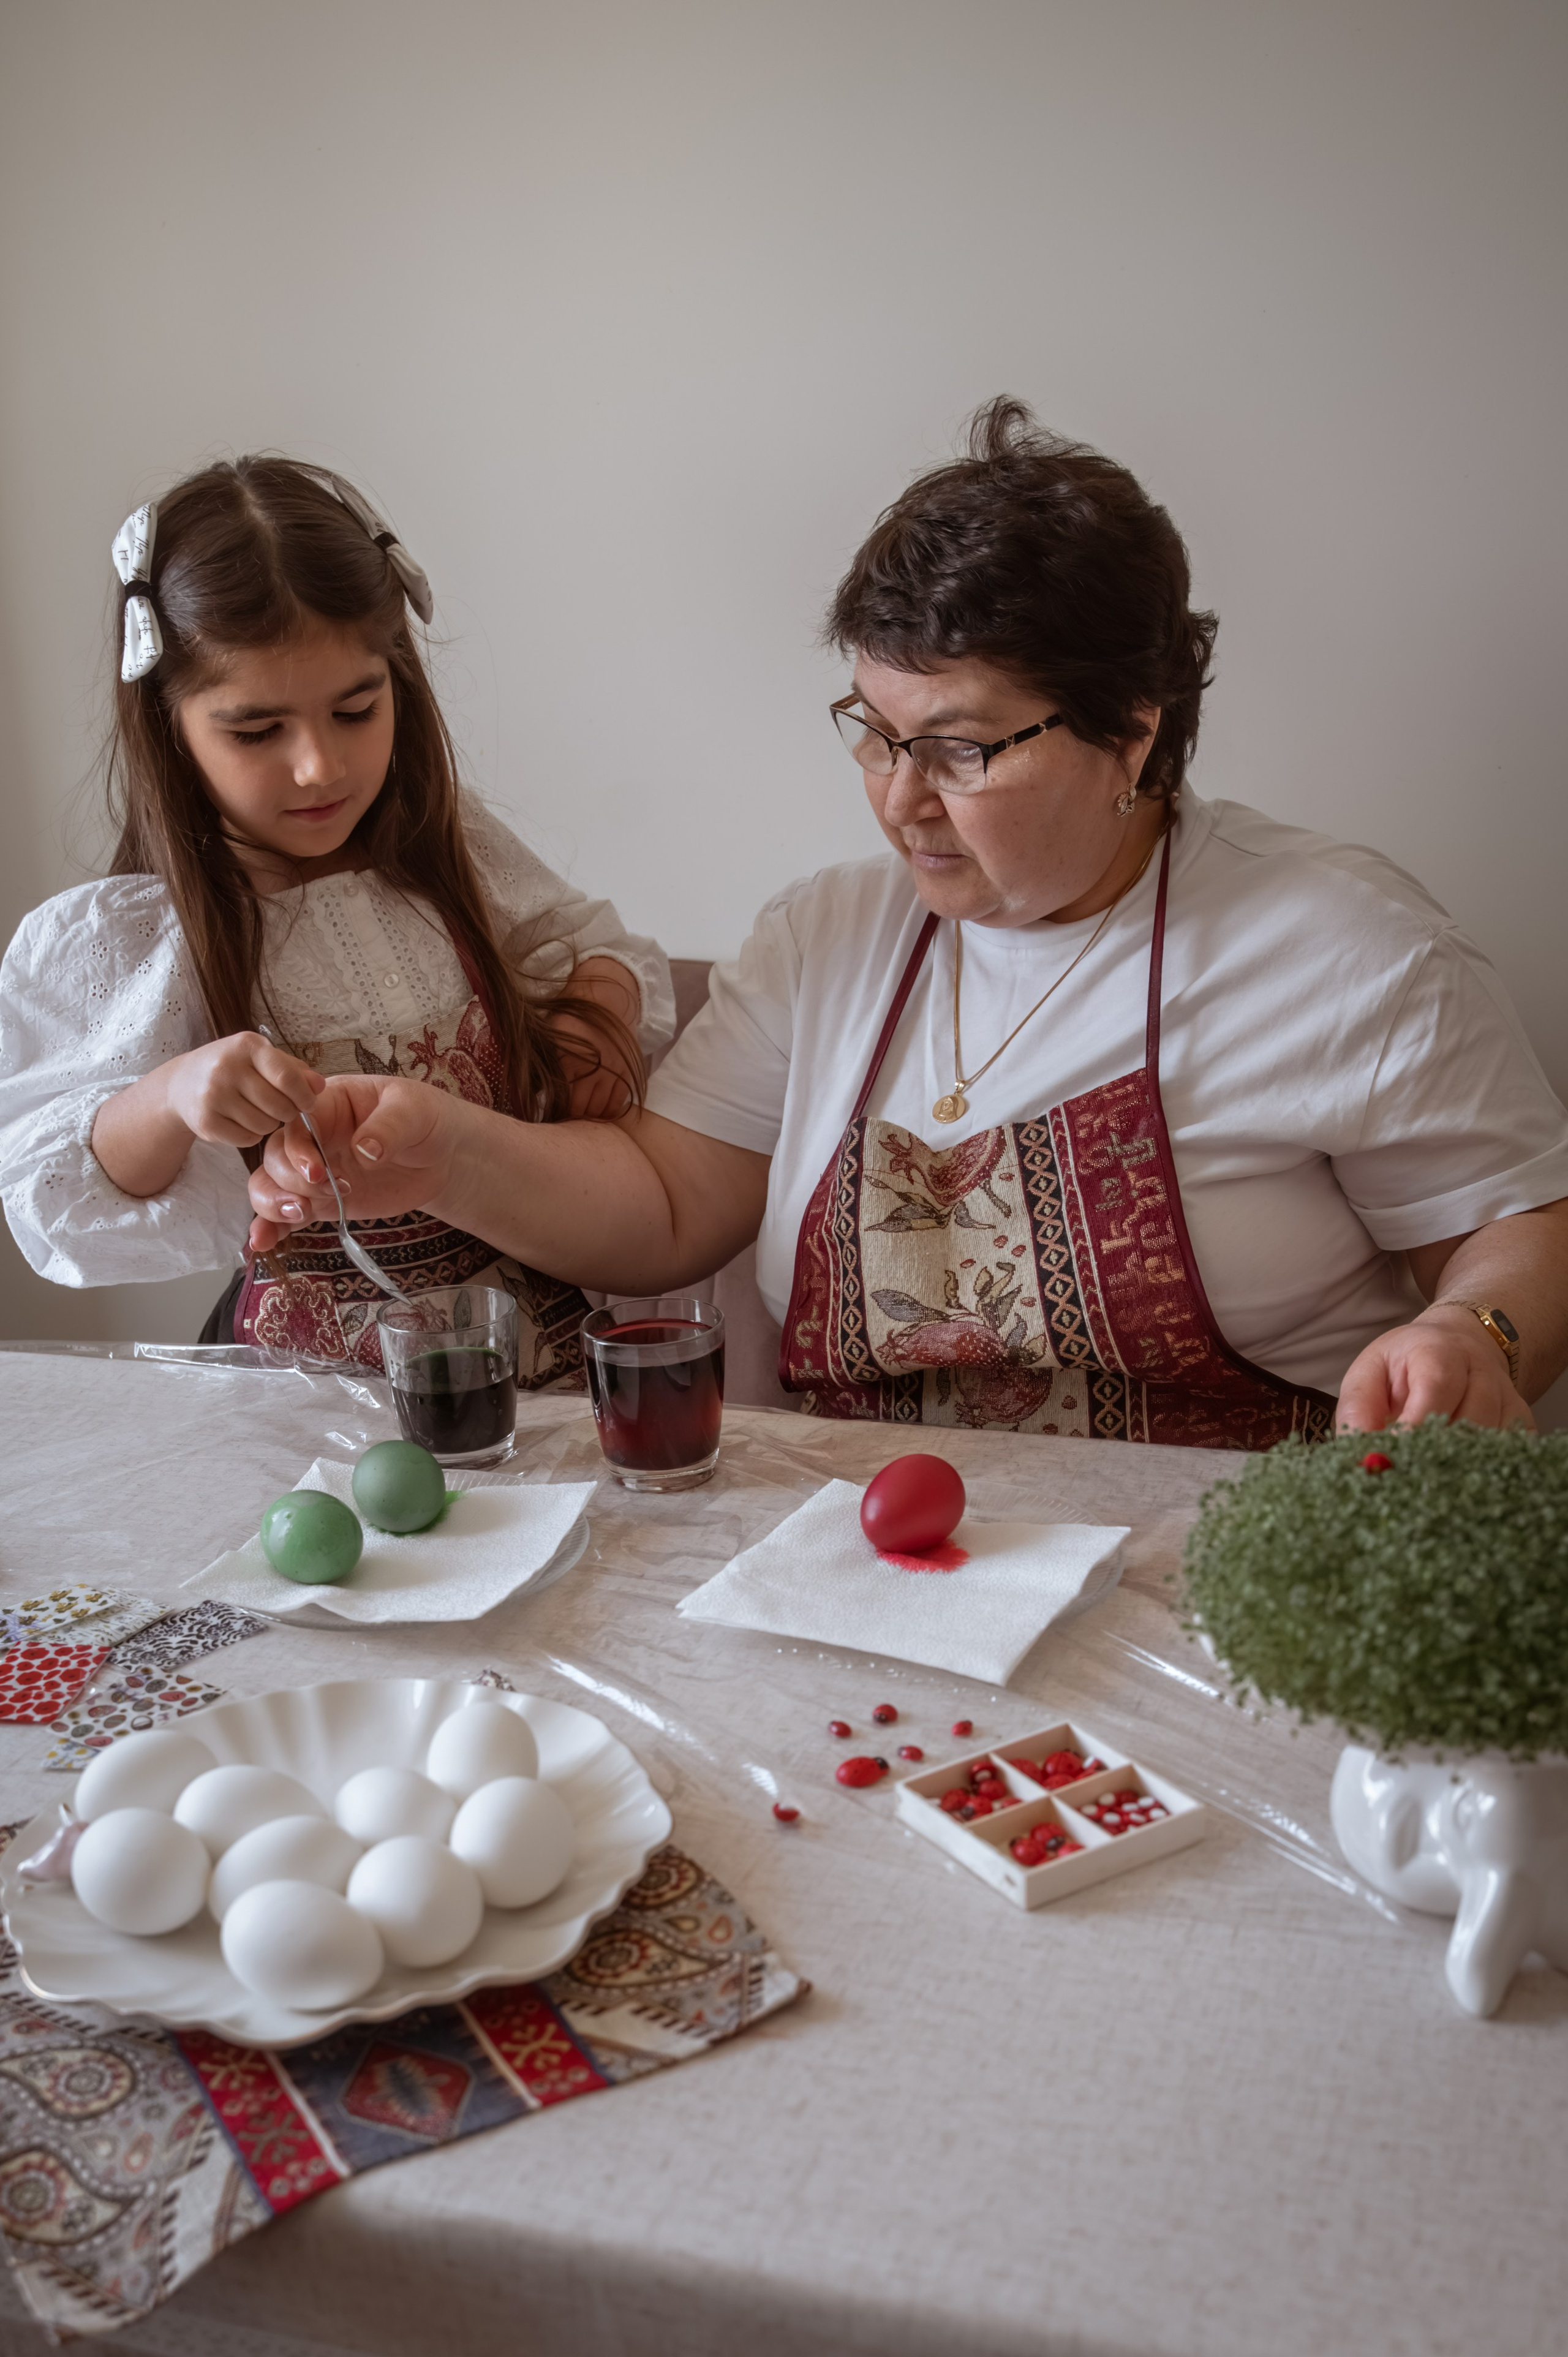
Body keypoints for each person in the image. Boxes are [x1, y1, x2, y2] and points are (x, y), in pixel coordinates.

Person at [246, 402, 1568, 1442]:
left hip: (1207, 1578)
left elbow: (1519, 1232)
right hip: (865, 1569)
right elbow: (658, 1204)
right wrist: (442, 1152)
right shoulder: (829, 937)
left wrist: (1474, 1337)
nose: (897, 801)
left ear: (1129, 729)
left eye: (957, 751)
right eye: (871, 737)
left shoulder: (1340, 945)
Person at [0, 457, 672, 1385]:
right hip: (308, 1388)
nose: (318, 766)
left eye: (356, 709)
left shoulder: (447, 855)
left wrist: (593, 1017)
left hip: (528, 1357)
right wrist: (173, 1094)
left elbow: (593, 945)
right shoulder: (136, 935)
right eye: (256, 731)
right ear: (168, 722)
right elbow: (61, 1194)